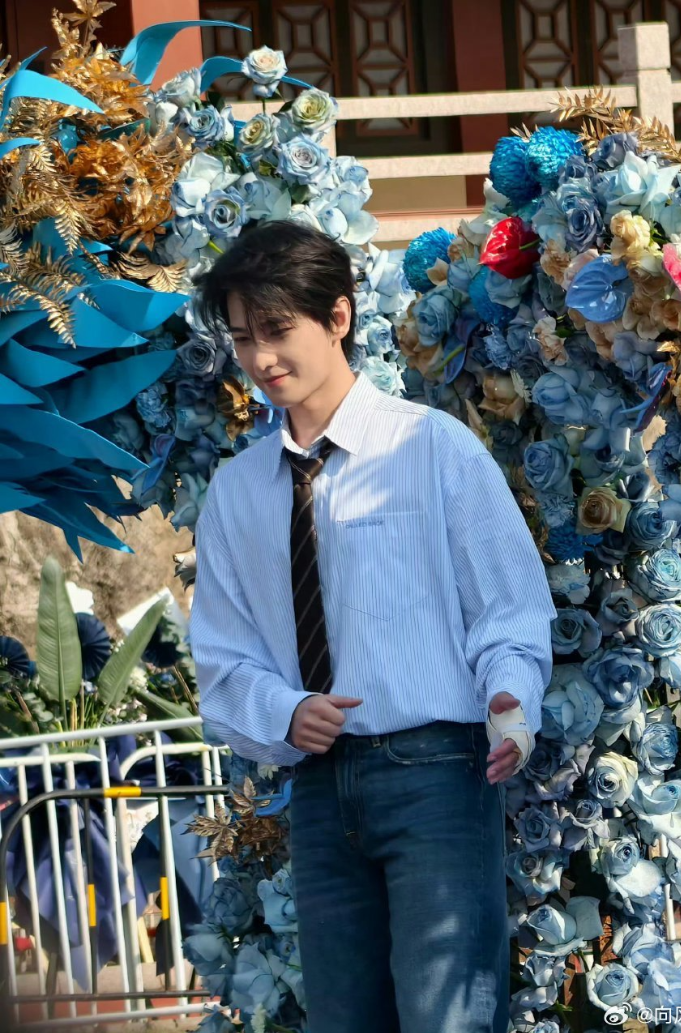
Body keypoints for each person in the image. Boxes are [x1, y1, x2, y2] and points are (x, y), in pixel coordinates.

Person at [189, 221, 556, 1033]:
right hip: (320, 790)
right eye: (243, 338)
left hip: (437, 773)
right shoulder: (238, 492)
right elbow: (220, 655)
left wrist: (510, 698)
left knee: (448, 1018)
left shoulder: (432, 447)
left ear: (339, 317)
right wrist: (284, 709)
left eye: (277, 329)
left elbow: (509, 608)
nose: (260, 357)